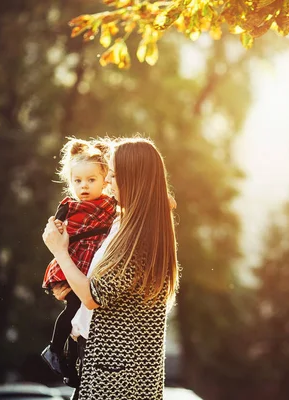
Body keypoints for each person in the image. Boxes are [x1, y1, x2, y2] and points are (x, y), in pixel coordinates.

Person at [42, 137, 179, 400]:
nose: (107, 182)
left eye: (114, 176)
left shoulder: (140, 238)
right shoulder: (122, 222)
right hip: (100, 363)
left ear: (132, 180)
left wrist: (59, 252)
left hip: (118, 378)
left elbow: (94, 296)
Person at [40, 138, 117, 382]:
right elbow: (54, 231)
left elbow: (136, 206)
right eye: (78, 181)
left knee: (82, 314)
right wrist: (59, 227)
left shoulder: (110, 204)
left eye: (91, 180)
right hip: (74, 261)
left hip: (92, 265)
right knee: (74, 308)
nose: (84, 186)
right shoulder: (69, 206)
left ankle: (71, 363)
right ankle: (55, 349)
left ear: (105, 180)